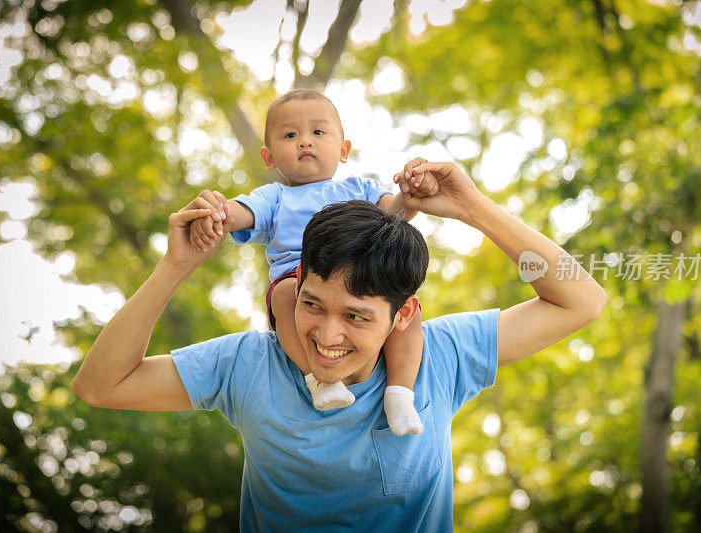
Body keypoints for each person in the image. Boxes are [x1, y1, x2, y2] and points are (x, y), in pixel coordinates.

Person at [73, 160, 607, 530]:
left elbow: (580, 300)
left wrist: (472, 207)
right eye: (311, 305)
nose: (327, 338)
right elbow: (101, 385)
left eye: (355, 317)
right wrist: (175, 266)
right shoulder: (249, 365)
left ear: (403, 315)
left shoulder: (438, 358)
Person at [186, 89, 436, 435]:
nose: (305, 142)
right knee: (284, 294)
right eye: (290, 135)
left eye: (318, 132)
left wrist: (411, 195)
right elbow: (242, 213)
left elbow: (396, 215)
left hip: (362, 278)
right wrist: (217, 211)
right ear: (268, 156)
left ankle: (400, 392)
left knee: (406, 312)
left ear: (344, 149)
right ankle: (319, 380)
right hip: (300, 281)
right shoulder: (274, 197)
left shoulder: (359, 188)